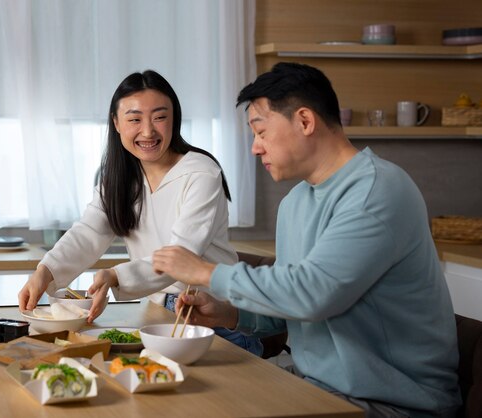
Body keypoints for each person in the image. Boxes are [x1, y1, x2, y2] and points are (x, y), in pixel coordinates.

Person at [152, 62, 461, 417]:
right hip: (313, 388)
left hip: (391, 404)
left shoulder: (377, 191)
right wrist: (228, 313)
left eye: (261, 131)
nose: (255, 148)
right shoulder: (295, 203)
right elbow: (292, 310)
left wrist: (206, 271)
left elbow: (312, 295)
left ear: (304, 121)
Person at [18, 70, 263, 356]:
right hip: (156, 315)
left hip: (209, 316)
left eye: (159, 117)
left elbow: (180, 254)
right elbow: (88, 232)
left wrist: (114, 275)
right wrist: (44, 272)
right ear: (116, 123)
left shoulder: (201, 173)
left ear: (175, 119)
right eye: (134, 119)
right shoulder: (119, 178)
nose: (148, 131)